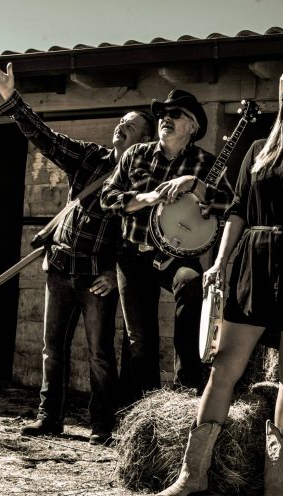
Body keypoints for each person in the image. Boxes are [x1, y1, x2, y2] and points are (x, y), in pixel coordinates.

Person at [153, 67, 283, 496]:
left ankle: (274, 480)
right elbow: (237, 212)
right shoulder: (258, 151)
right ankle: (192, 474)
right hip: (253, 264)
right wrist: (219, 264)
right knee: (224, 368)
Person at [0, 57, 155, 445]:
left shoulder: (144, 185)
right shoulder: (91, 157)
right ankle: (49, 417)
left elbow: (140, 237)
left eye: (129, 126)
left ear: (144, 141)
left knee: (99, 354)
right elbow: (47, 139)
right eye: (120, 122)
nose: (120, 127)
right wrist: (12, 99)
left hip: (97, 278)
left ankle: (102, 425)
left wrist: (113, 273)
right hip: (59, 266)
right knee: (52, 350)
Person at [100, 89, 234, 399]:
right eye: (162, 114)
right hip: (133, 255)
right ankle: (142, 408)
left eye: (175, 114)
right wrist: (143, 198)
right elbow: (107, 198)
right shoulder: (136, 154)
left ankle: (185, 392)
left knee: (191, 284)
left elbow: (231, 205)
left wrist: (195, 186)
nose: (165, 118)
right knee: (140, 339)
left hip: (177, 256)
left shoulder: (205, 163)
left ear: (193, 126)